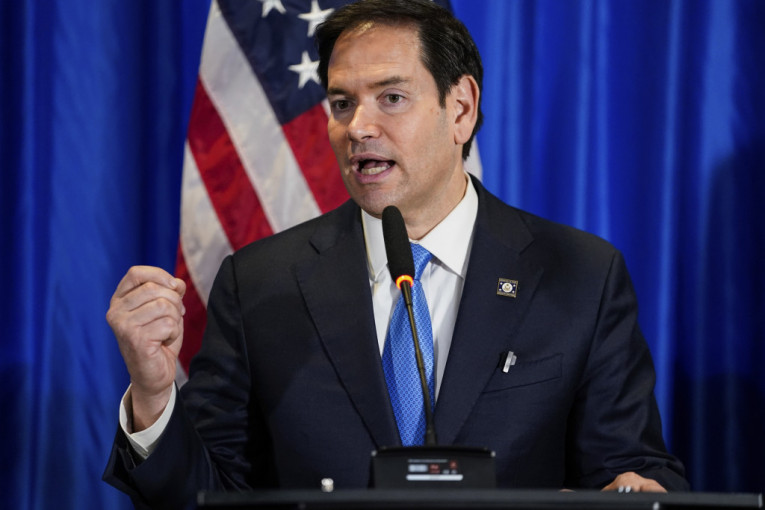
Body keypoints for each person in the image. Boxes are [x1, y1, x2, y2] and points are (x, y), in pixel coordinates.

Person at [103, 0, 688, 508]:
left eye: (391, 97)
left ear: (461, 109)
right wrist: (154, 398)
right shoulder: (259, 283)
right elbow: (208, 496)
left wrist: (636, 492)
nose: (358, 127)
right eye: (341, 103)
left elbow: (631, 469)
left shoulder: (580, 275)